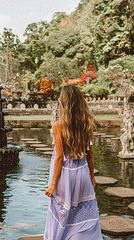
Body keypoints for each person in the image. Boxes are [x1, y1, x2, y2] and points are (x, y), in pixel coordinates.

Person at [44, 85, 103, 240]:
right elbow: (90, 153)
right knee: (83, 215)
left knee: (63, 214)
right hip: (83, 173)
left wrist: (52, 184)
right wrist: (92, 177)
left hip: (65, 176)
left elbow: (58, 157)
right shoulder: (87, 123)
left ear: (63, 103)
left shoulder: (58, 126)